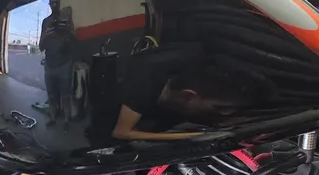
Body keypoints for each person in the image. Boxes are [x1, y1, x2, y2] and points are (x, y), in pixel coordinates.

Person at [111, 46, 260, 141]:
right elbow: (121, 133)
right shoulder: (140, 87)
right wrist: (198, 136)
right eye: (220, 107)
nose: (225, 113)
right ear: (188, 95)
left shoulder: (203, 59)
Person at [39, 0, 77, 118]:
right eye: (52, 2)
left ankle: (66, 120)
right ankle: (53, 118)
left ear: (60, 3)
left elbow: (75, 43)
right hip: (49, 65)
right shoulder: (45, 22)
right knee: (51, 96)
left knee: (66, 96)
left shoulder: (66, 19)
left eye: (57, 2)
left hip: (65, 65)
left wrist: (69, 32)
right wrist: (44, 37)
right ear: (49, 4)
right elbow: (41, 47)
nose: (54, 4)